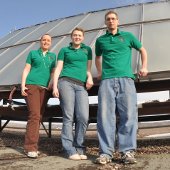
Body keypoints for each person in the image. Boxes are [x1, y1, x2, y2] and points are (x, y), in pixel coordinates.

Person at [95, 11, 148, 164]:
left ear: (118, 21)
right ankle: (106, 153)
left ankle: (127, 152)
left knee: (129, 115)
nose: (111, 21)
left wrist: (144, 66)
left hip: (126, 79)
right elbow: (97, 57)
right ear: (106, 22)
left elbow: (143, 50)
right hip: (106, 81)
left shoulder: (128, 36)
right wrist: (99, 72)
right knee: (105, 117)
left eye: (113, 19)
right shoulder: (101, 40)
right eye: (108, 19)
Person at [53, 27, 93, 160]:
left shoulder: (87, 50)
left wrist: (90, 77)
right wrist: (55, 86)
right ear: (72, 37)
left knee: (83, 117)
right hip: (66, 82)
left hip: (81, 85)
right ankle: (69, 150)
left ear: (83, 37)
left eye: (79, 35)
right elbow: (58, 68)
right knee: (68, 116)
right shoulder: (64, 50)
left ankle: (79, 147)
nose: (77, 37)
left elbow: (88, 69)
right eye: (75, 35)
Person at [21, 34, 56, 158]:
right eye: (44, 40)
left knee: (39, 116)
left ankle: (33, 146)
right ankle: (30, 147)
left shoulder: (53, 56)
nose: (46, 42)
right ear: (40, 41)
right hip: (32, 85)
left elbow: (53, 72)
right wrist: (23, 84)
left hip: (45, 88)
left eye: (48, 40)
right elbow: (26, 69)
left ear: (50, 43)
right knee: (34, 115)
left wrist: (52, 83)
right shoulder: (33, 53)